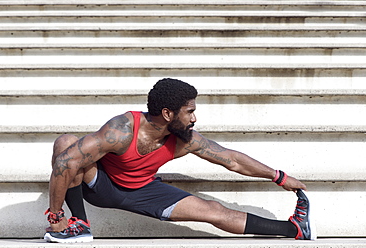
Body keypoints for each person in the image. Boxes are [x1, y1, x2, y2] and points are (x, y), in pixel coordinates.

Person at [44, 78, 315, 243]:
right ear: (167, 113)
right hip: (102, 184)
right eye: (190, 112)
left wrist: (277, 176)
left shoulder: (186, 139)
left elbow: (231, 160)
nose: (194, 119)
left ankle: (294, 230)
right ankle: (78, 224)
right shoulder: (122, 130)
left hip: (144, 191)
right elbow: (64, 163)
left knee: (213, 210)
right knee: (67, 144)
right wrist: (56, 217)